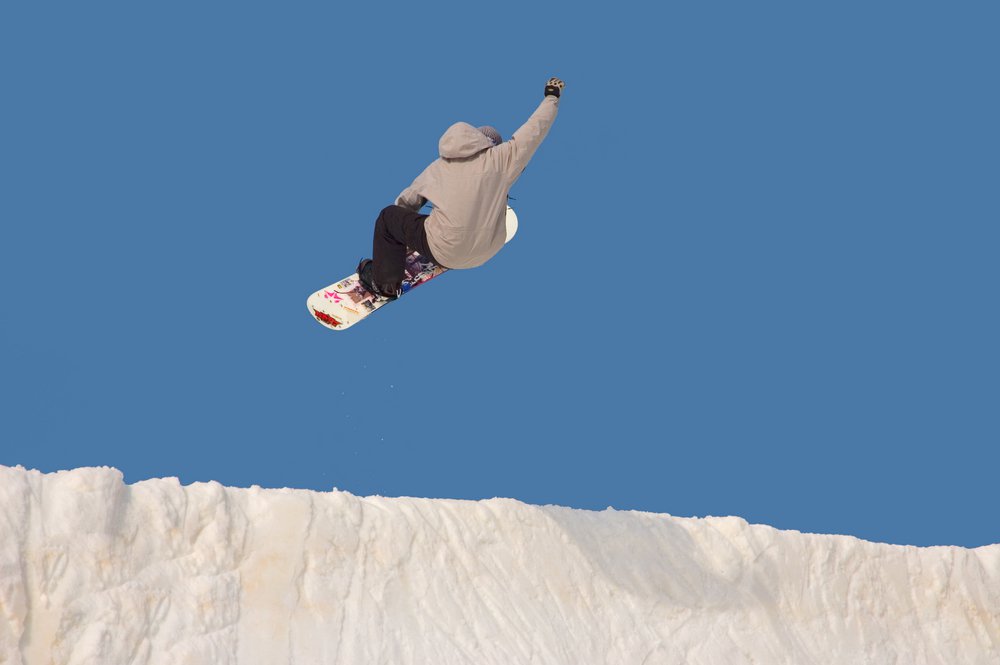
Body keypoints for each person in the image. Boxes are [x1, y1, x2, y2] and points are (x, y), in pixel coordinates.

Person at [357, 77, 565, 299]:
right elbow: (534, 131)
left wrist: (400, 241)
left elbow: (406, 203)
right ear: (491, 144)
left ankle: (385, 285)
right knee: (496, 192)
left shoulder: (437, 168)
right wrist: (551, 97)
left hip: (444, 250)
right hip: (487, 251)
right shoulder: (501, 159)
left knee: (388, 217)